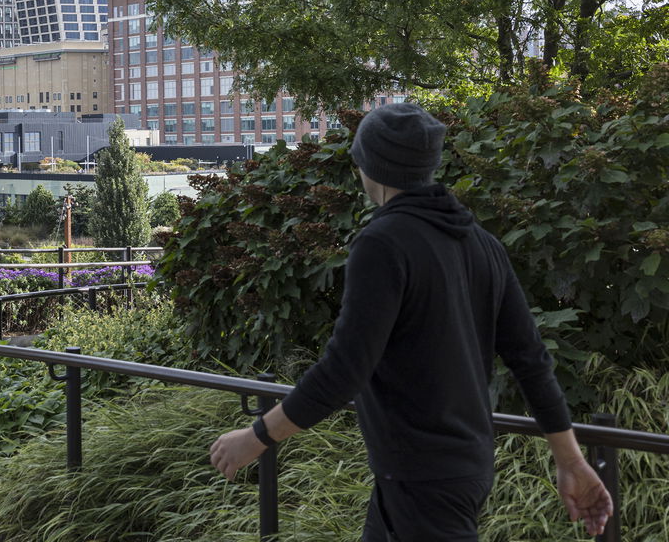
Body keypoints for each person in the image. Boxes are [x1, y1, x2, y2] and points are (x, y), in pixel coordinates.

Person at [209, 102, 613, 540]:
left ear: (368, 163)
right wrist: (570, 460)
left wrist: (257, 437)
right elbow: (531, 360)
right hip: (450, 472)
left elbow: (344, 370)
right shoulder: (482, 244)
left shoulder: (382, 243)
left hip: (423, 483)